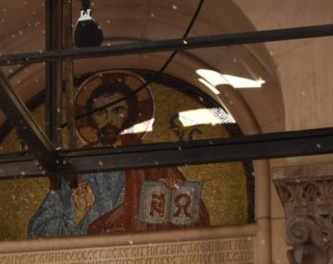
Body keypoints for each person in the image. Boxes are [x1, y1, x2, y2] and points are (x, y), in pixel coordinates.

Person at [28, 71, 210, 237]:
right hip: (89, 256)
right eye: (100, 112)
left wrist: (171, 200)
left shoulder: (150, 161)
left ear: (130, 115)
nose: (109, 120)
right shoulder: (76, 166)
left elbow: (197, 224)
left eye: (117, 111)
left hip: (138, 254)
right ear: (91, 118)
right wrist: (77, 215)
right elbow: (38, 233)